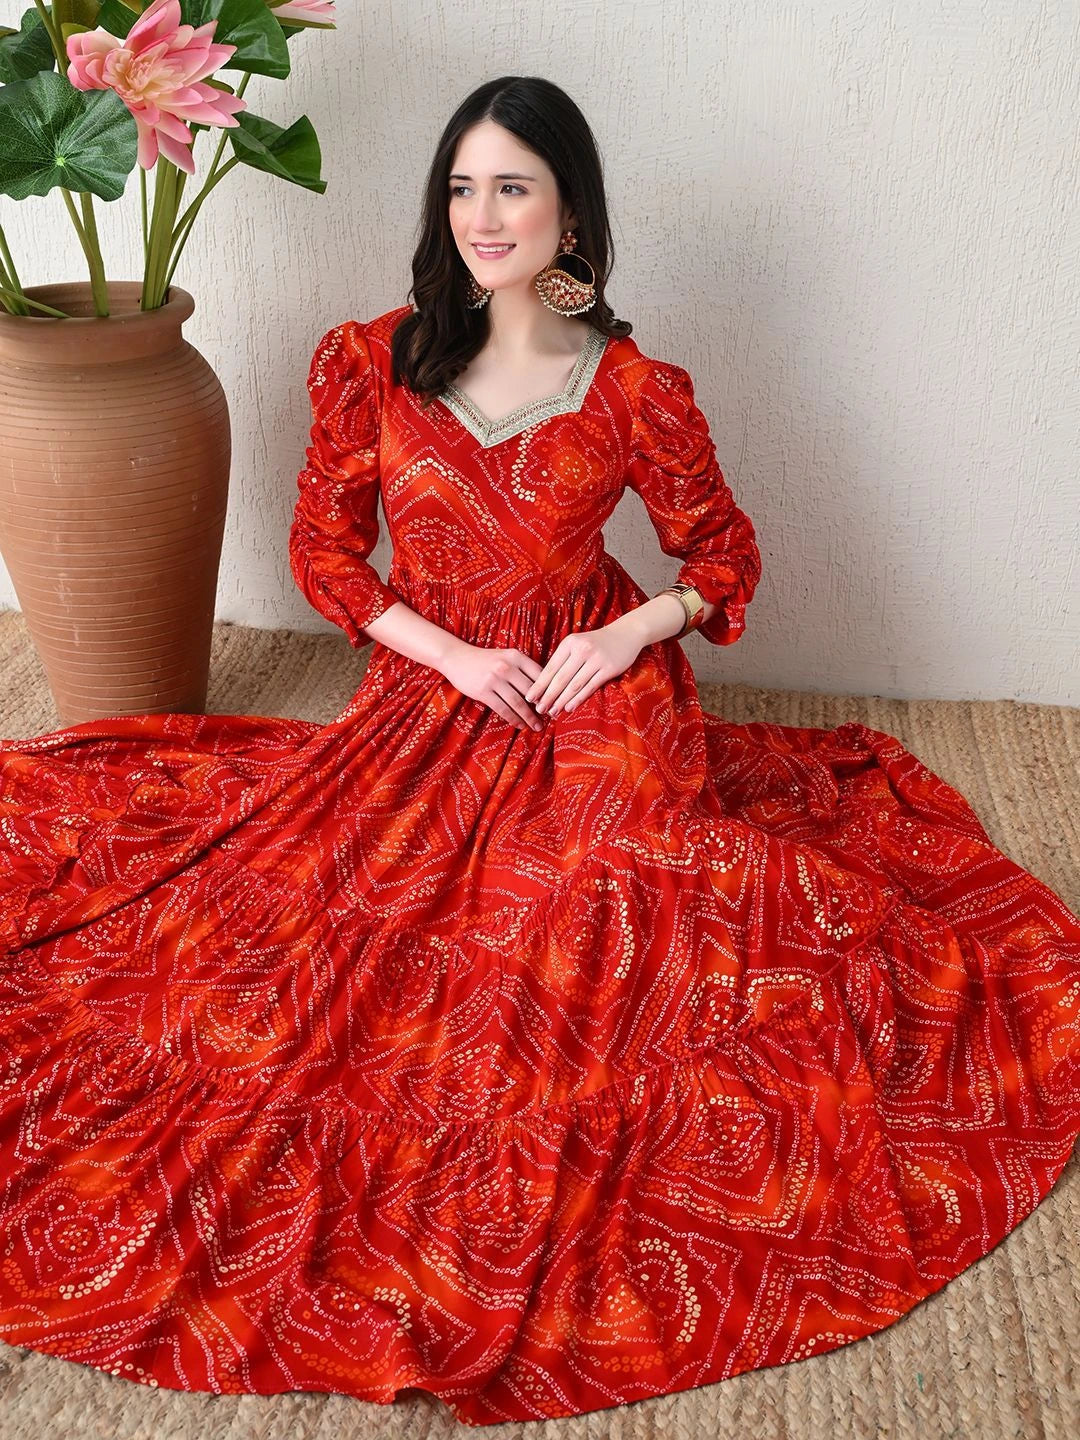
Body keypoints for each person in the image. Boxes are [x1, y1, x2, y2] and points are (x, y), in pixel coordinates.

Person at [0, 74, 1077, 1430]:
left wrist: (631, 636)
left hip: (595, 690)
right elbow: (325, 553)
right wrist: (443, 655)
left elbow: (723, 556)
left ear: (572, 211)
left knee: (626, 906)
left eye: (514, 186)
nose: (483, 214)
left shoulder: (631, 383)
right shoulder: (378, 358)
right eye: (463, 186)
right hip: (435, 688)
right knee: (308, 928)